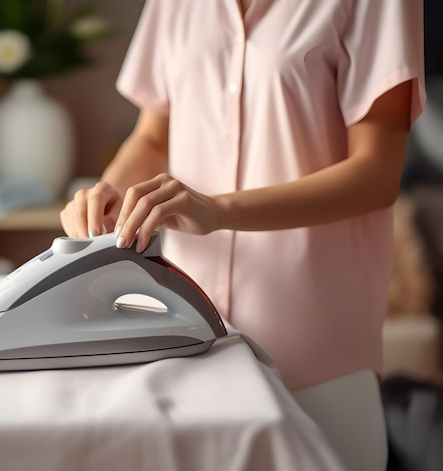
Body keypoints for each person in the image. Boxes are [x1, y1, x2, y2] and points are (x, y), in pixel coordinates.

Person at [61, 1, 426, 469]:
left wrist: (218, 210)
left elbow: (377, 174)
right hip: (186, 339)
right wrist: (111, 191)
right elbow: (153, 137)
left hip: (315, 356)